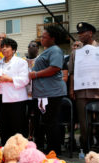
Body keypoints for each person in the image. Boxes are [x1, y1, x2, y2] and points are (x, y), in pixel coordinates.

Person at [69, 22, 99, 153]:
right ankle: (86, 149)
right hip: (81, 93)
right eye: (79, 33)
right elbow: (72, 72)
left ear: (91, 33)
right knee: (84, 124)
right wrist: (71, 89)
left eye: (83, 32)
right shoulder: (76, 52)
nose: (80, 35)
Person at [29, 25, 67, 155]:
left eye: (44, 37)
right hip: (44, 93)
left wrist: (36, 74)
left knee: (52, 122)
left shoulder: (55, 50)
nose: (41, 39)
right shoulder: (47, 50)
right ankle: (49, 148)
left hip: (52, 93)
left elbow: (55, 68)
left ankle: (54, 150)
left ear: (52, 38)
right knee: (47, 122)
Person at [0, 38, 29, 145]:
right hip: (1, 96)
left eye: (7, 47)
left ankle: (19, 148)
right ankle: (5, 147)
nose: (4, 49)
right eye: (2, 47)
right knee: (4, 124)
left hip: (16, 98)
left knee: (17, 124)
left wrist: (10, 79)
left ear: (14, 49)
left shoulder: (21, 62)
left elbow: (25, 79)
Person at [23, 40, 40, 140]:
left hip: (36, 93)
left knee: (35, 117)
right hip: (24, 93)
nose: (32, 47)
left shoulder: (40, 60)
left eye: (35, 46)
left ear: (38, 49)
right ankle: (26, 136)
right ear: (28, 48)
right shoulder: (22, 60)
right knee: (25, 116)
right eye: (30, 46)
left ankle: (34, 136)